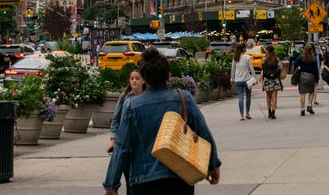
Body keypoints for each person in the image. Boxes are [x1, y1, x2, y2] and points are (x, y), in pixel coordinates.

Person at [103, 47, 221, 194]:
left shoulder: (131, 105)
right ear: (168, 76)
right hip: (179, 177)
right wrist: (213, 165)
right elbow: (204, 133)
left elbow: (122, 147)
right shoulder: (184, 99)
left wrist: (111, 184)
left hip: (142, 180)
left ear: (145, 79)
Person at [106, 69, 146, 193]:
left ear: (143, 81)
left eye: (137, 78)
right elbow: (116, 120)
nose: (134, 81)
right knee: (129, 178)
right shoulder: (124, 97)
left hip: (142, 144)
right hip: (126, 144)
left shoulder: (147, 97)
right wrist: (113, 139)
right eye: (132, 78)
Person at [230, 42, 255, 121]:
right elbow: (251, 69)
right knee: (248, 96)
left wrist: (232, 79)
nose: (246, 49)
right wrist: (254, 77)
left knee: (240, 98)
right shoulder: (247, 57)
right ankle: (247, 113)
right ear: (243, 49)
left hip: (238, 80)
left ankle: (241, 115)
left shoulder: (235, 58)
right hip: (247, 80)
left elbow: (233, 70)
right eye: (245, 47)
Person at [294, 42, 319, 116]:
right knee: (311, 92)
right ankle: (309, 106)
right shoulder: (313, 58)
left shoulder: (301, 56)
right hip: (311, 76)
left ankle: (302, 110)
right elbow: (316, 70)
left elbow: (295, 64)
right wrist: (317, 79)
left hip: (302, 76)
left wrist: (300, 66)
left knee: (302, 94)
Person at [260, 44, 283, 119]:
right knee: (274, 96)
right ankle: (273, 113)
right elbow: (281, 67)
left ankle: (269, 112)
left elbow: (263, 69)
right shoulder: (276, 59)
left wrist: (261, 76)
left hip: (267, 79)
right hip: (275, 79)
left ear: (267, 51)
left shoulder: (265, 59)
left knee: (268, 96)